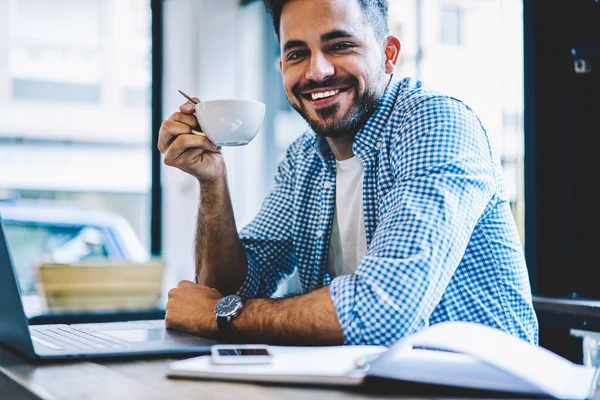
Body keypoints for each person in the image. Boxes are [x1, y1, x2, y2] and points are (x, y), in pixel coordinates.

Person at [157, 0, 539, 346]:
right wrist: (212, 182)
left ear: (388, 54)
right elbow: (228, 288)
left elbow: (386, 312)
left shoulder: (435, 123)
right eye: (297, 54)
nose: (317, 71)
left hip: (477, 384)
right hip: (362, 381)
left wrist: (222, 316)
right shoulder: (303, 159)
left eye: (340, 45)